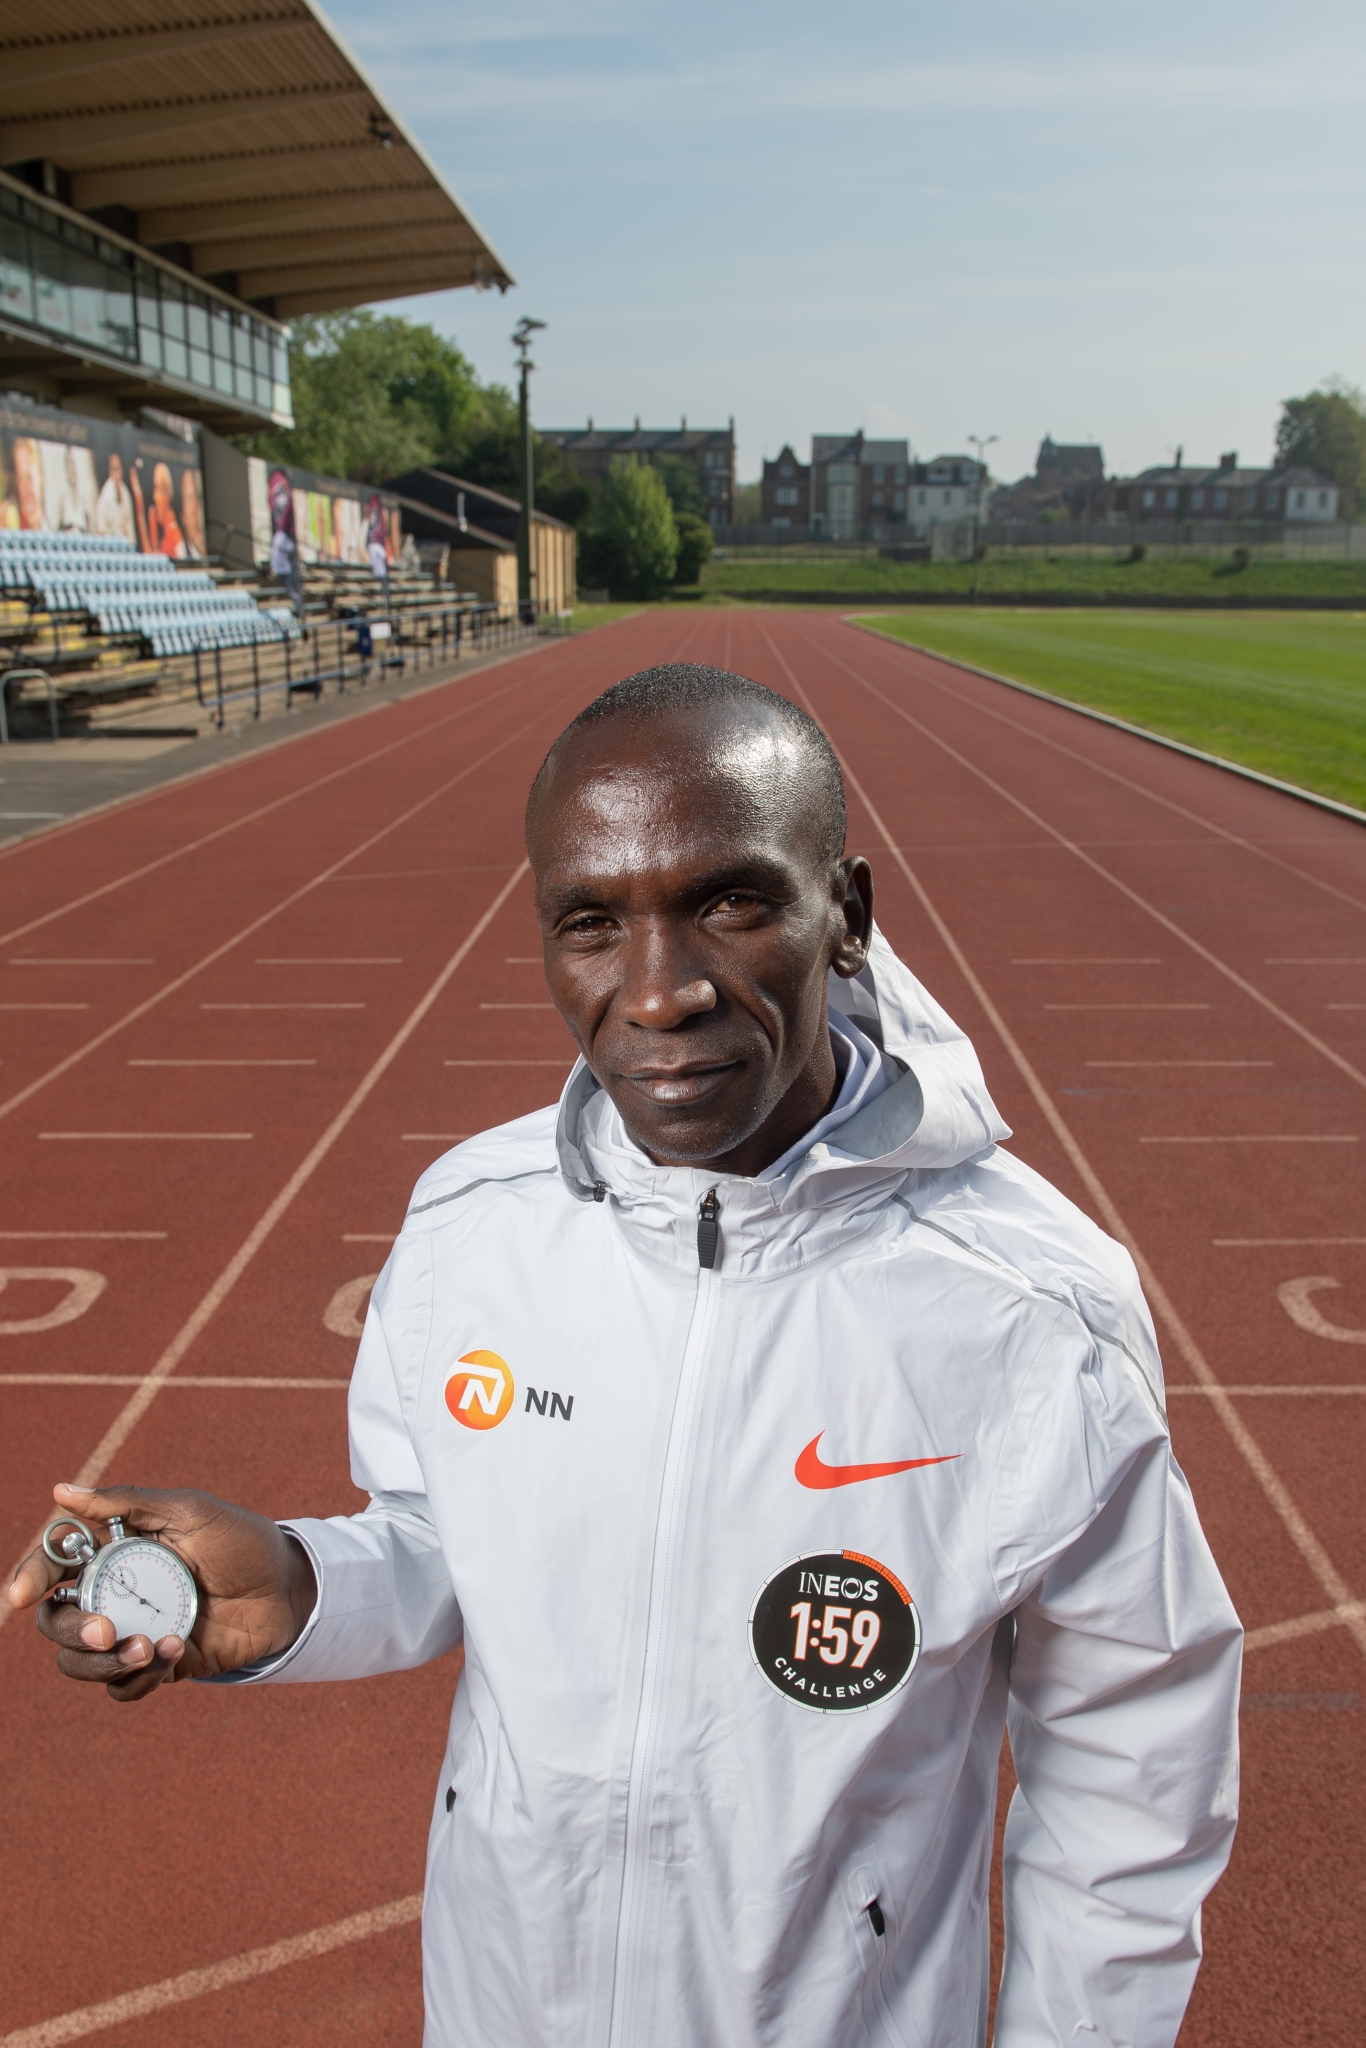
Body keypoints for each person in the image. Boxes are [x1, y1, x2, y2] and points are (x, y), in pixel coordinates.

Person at [12, 666, 1241, 2048]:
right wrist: (292, 1587)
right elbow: (436, 1546)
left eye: (728, 901)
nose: (657, 998)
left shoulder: (1031, 1307)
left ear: (844, 915)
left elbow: (1133, 1767)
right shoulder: (473, 1226)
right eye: (592, 923)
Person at [94, 451, 136, 544]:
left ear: (121, 470)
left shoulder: (126, 494)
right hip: (110, 545)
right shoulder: (105, 495)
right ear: (110, 471)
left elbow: (129, 525)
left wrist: (132, 545)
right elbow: (100, 524)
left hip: (124, 545)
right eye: (113, 469)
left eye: (118, 469)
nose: (116, 472)